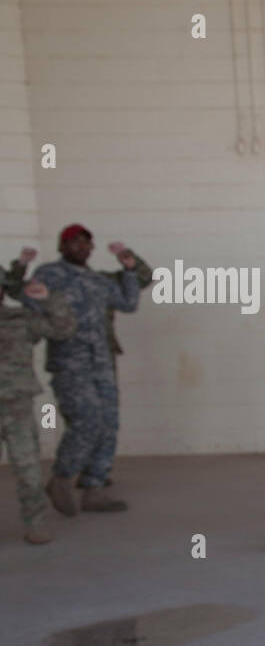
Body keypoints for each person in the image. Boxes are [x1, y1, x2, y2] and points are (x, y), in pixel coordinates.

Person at [31, 225, 151, 515]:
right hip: (70, 364)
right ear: (62, 247)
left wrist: (131, 271)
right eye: (75, 243)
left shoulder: (98, 280)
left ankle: (94, 489)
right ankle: (61, 477)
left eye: (87, 243)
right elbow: (31, 308)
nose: (82, 248)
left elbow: (128, 303)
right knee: (87, 420)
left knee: (108, 424)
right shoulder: (48, 275)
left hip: (102, 362)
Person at [0, 271, 75, 544]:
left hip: (16, 408)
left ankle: (36, 523)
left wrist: (49, 300)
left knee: (29, 473)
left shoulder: (21, 319)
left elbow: (63, 329)